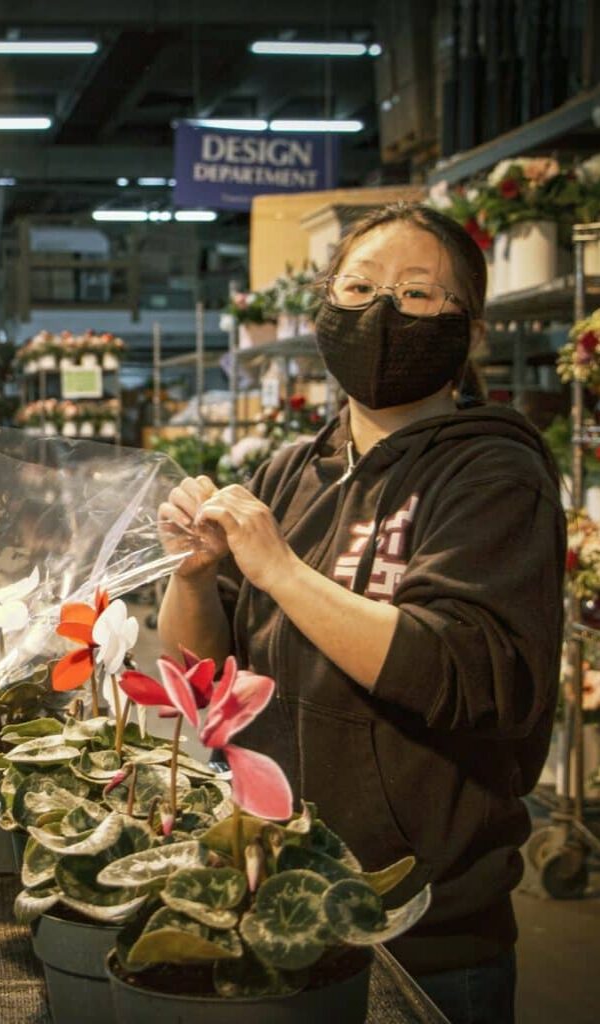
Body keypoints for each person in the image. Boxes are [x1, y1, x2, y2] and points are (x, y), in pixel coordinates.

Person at [157, 202, 566, 1024]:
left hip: (427, 926)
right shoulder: (287, 474)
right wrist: (197, 578)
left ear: (470, 333)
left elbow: (457, 670)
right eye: (359, 286)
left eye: (417, 295)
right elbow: (207, 688)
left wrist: (277, 568)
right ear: (323, 305)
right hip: (277, 893)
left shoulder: (494, 473)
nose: (381, 311)